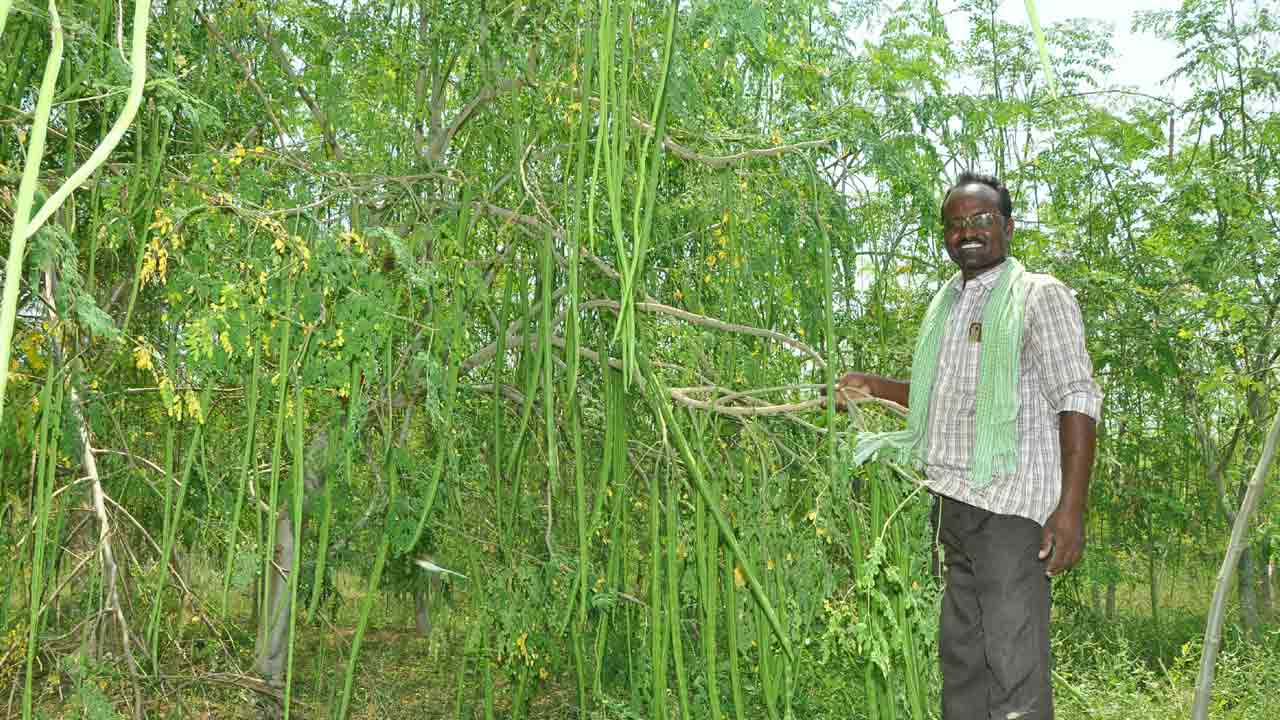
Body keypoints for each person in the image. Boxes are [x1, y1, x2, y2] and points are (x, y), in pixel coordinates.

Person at [834, 172, 1102, 720]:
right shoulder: (948, 305)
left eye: (981, 219)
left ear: (1006, 226)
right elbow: (941, 395)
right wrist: (873, 388)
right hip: (952, 505)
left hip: (1010, 511)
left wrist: (1070, 510)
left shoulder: (1038, 296)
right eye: (955, 224)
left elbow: (1076, 396)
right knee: (962, 661)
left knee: (1012, 666)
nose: (968, 232)